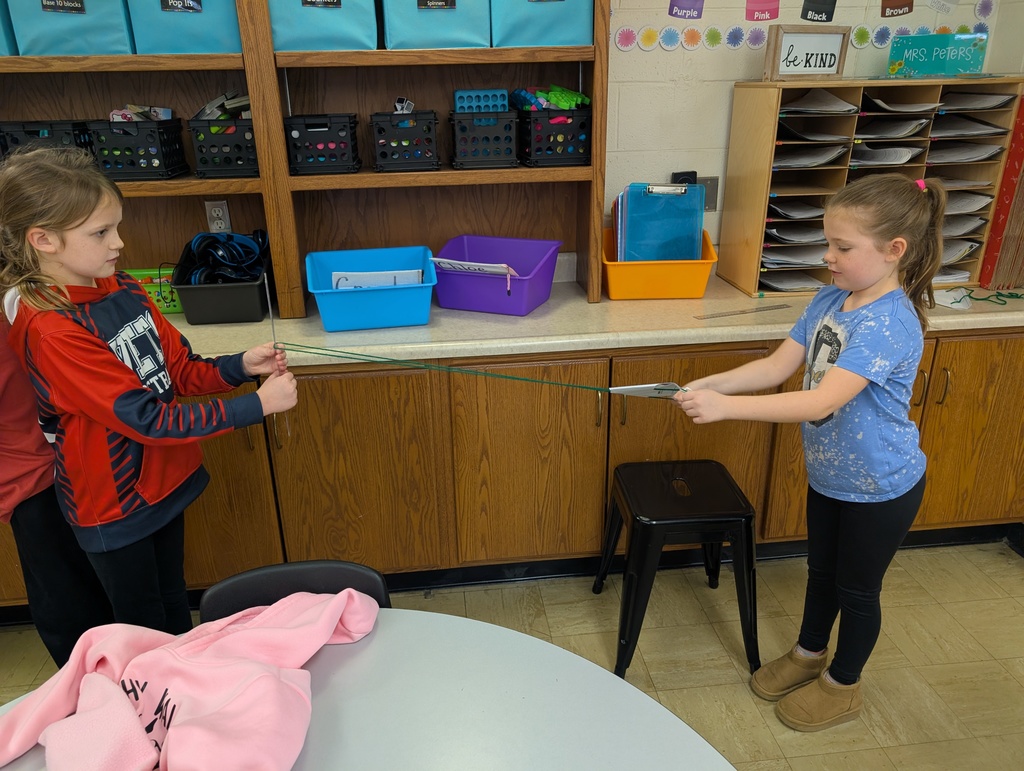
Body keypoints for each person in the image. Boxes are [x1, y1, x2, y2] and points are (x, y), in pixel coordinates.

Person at [673, 174, 945, 732]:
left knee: (856, 590)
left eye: (843, 247)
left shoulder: (890, 322)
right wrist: (714, 384)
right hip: (831, 477)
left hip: (882, 486)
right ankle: (808, 654)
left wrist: (725, 411)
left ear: (895, 251)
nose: (829, 257)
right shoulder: (829, 300)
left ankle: (844, 685)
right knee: (820, 574)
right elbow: (777, 367)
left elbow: (819, 400)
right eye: (829, 243)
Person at [0, 145, 298, 637]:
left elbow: (175, 370)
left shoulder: (123, 287)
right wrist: (258, 406)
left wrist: (240, 366)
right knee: (142, 630)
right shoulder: (53, 330)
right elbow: (150, 418)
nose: (118, 243)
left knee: (173, 608)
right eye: (100, 233)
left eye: (116, 226)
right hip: (112, 507)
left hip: (161, 485)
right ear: (43, 240)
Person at [1, 315, 115, 666]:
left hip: (37, 478)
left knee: (73, 612)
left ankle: (100, 699)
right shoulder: (23, 309)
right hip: (69, 465)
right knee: (100, 601)